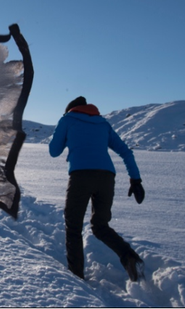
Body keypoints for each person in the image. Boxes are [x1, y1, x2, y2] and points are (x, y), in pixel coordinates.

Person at [48, 96, 146, 281]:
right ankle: (129, 257)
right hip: (107, 178)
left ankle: (76, 278)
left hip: (81, 176)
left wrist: (66, 133)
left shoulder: (67, 119)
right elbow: (126, 151)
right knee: (100, 226)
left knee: (73, 227)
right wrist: (135, 179)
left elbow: (54, 151)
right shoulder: (103, 123)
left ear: (70, 110)